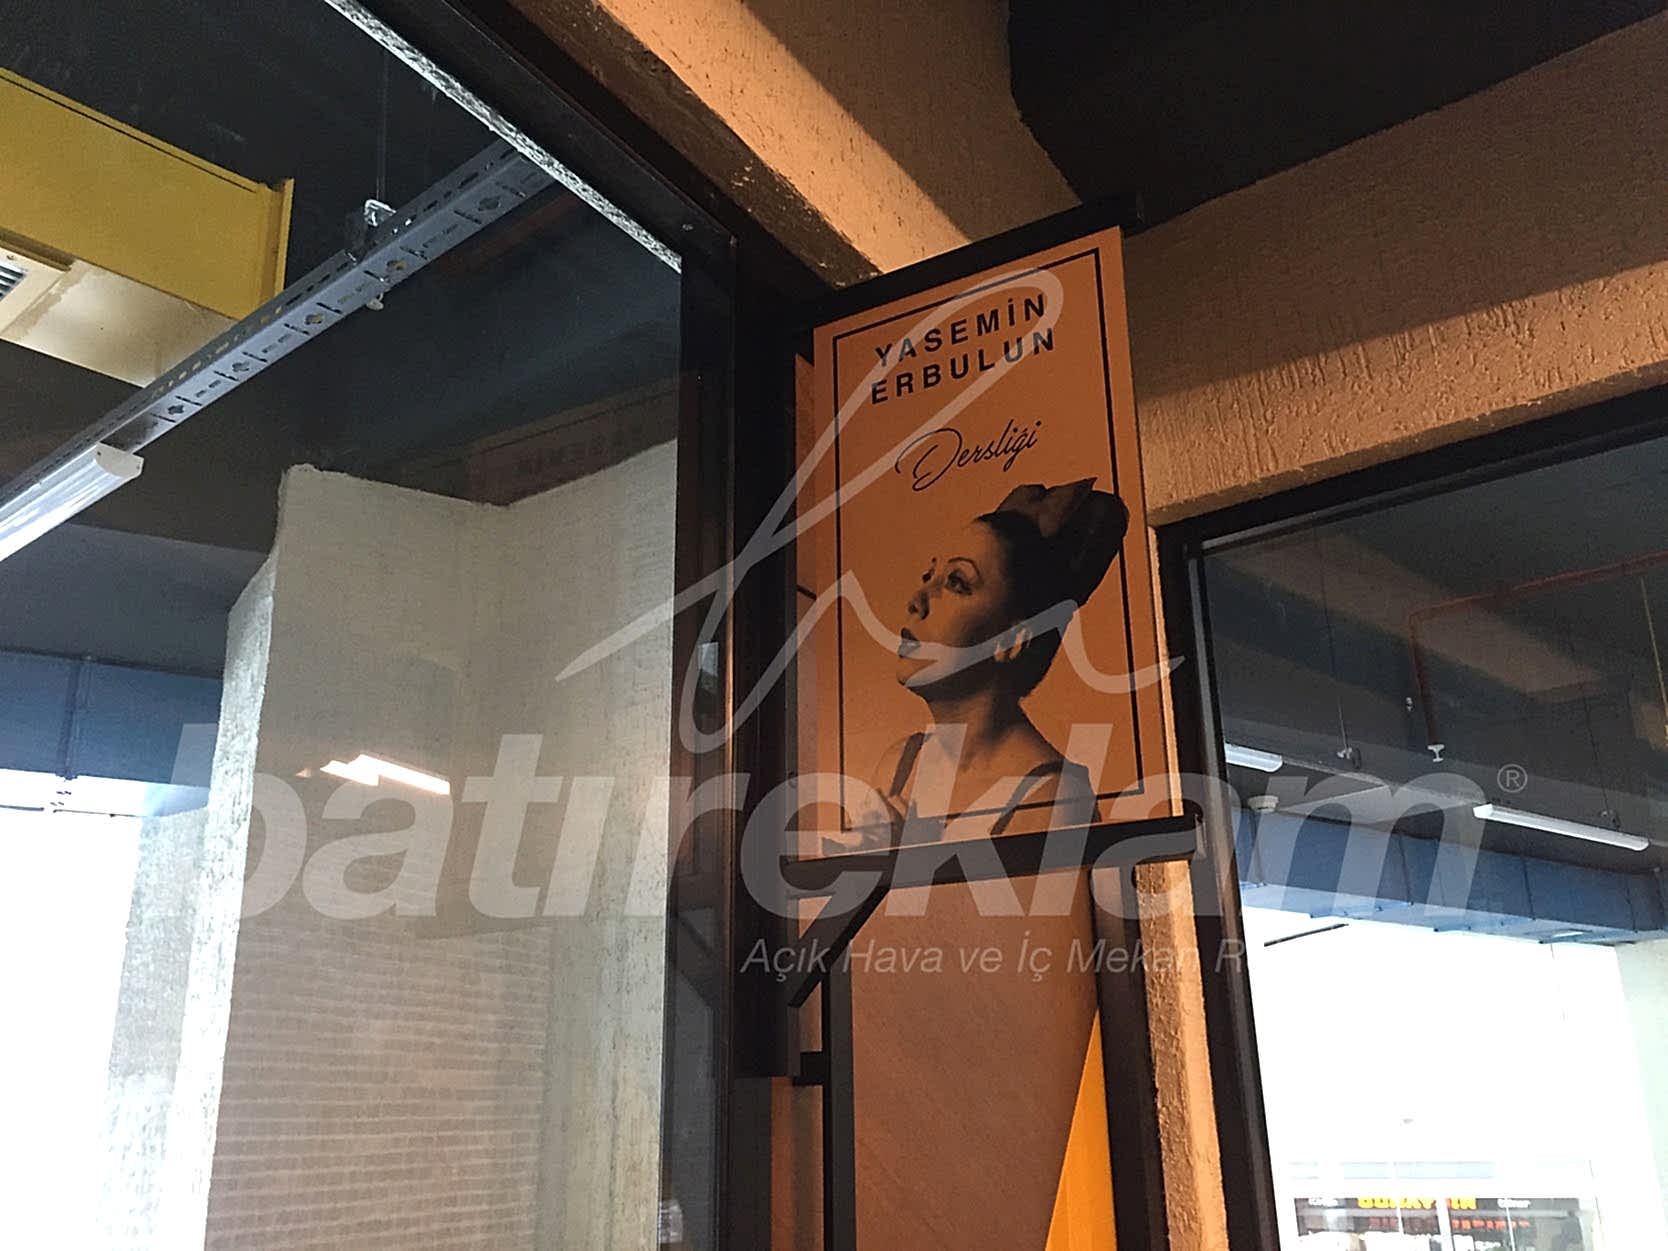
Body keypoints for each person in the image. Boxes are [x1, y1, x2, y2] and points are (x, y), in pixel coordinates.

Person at [843, 477, 1128, 849]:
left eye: (957, 582)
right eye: (928, 576)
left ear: (1011, 640)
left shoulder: (1055, 800)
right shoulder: (899, 764)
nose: (917, 600)